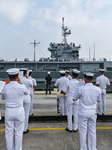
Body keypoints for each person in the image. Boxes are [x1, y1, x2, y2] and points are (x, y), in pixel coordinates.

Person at [1, 68, 30, 150]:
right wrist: (19, 82)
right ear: (18, 76)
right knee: (18, 132)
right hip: (19, 111)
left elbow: (2, 97)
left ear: (8, 77)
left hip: (9, 111)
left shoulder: (5, 87)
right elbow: (27, 93)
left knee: (9, 132)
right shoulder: (22, 86)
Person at [73, 72, 101, 150]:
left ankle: (83, 148)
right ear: (92, 79)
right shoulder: (97, 89)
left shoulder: (80, 88)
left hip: (83, 112)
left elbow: (74, 98)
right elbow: (98, 100)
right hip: (92, 112)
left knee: (83, 132)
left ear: (85, 79)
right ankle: (93, 148)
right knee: (92, 132)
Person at [20, 68, 33, 134]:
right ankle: (25, 129)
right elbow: (31, 86)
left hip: (20, 97)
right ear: (26, 73)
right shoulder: (29, 80)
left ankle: (20, 128)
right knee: (26, 113)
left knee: (20, 113)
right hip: (27, 97)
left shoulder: (19, 80)